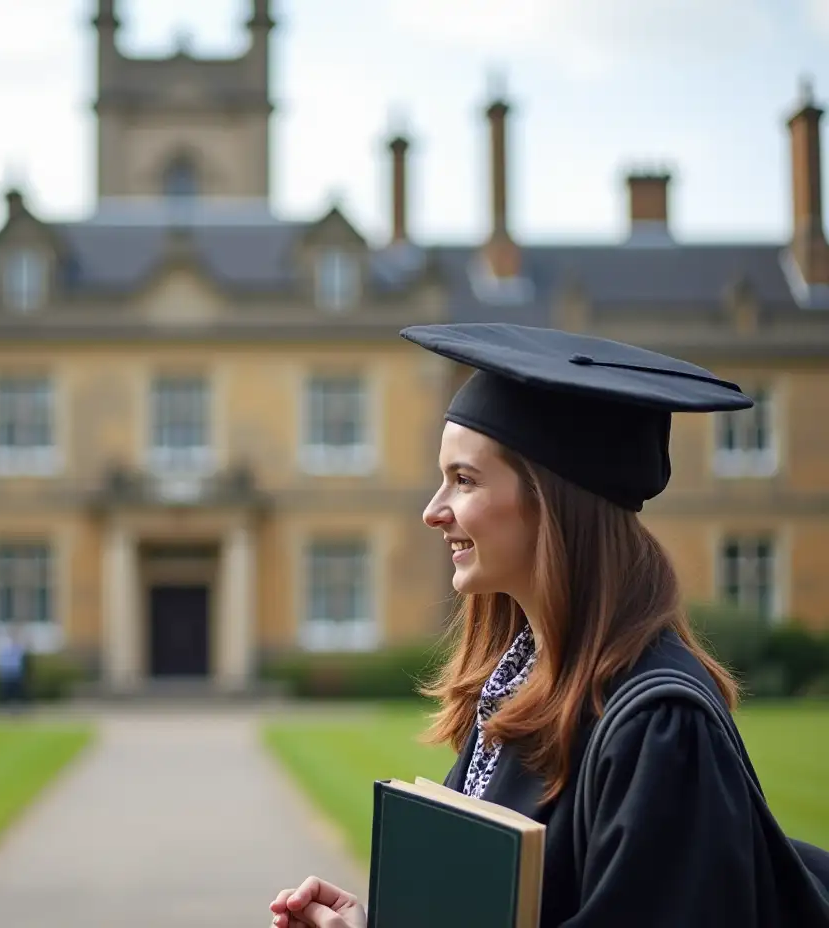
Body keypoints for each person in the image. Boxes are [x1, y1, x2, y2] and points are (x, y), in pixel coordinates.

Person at [270, 323, 829, 928]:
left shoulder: (659, 730)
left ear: (550, 502)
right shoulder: (520, 685)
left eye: (464, 479)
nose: (433, 512)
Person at [0, 624, 27, 710]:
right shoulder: (4, 645)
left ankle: (16, 708)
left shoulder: (18, 645)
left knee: (16, 692)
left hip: (15, 671)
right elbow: (1, 659)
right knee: (5, 692)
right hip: (6, 671)